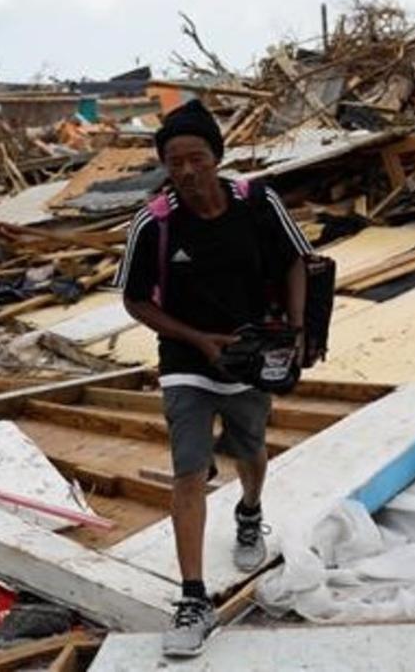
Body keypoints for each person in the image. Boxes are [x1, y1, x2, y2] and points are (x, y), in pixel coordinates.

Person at [116, 99, 312, 657]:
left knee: (251, 449)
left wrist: (294, 332)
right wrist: (199, 341)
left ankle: (249, 511)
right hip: (185, 359)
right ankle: (193, 598)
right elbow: (133, 298)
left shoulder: (258, 203)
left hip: (251, 354)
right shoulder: (155, 221)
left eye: (196, 158)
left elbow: (298, 260)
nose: (186, 171)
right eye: (174, 161)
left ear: (217, 157)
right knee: (188, 470)